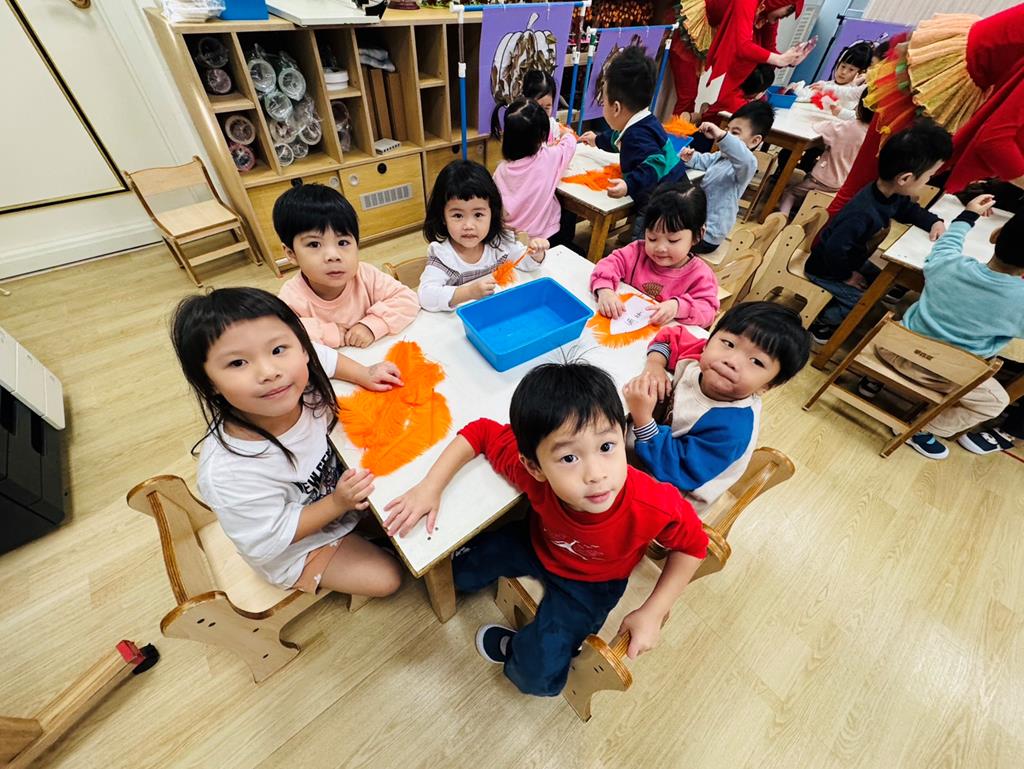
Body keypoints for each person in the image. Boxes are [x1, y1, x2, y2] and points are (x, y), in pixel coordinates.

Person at [381, 363, 708, 696]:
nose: (596, 474)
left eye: (606, 447)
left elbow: (694, 546)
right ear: (534, 467)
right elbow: (480, 432)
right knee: (457, 572)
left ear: (622, 435)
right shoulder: (534, 475)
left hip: (595, 583)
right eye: (569, 458)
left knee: (536, 677)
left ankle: (519, 650)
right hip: (537, 543)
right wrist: (430, 487)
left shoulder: (652, 503)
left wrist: (654, 611)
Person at [171, 287, 404, 596]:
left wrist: (364, 373)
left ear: (302, 349)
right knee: (387, 578)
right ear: (208, 382)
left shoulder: (299, 380)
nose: (269, 372)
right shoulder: (228, 473)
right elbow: (268, 541)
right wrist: (337, 504)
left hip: (338, 499)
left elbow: (325, 357)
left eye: (278, 349)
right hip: (295, 546)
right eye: (238, 363)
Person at [862, 196, 1024, 459]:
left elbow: (947, 243)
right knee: (995, 402)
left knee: (910, 308)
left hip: (889, 350)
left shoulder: (949, 263)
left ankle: (876, 376)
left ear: (995, 236)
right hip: (945, 378)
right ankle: (918, 429)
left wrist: (968, 215)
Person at [623, 302, 810, 512]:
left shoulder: (731, 427)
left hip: (669, 497)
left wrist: (642, 418)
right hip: (650, 449)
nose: (732, 360)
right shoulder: (704, 357)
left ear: (767, 386)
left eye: (756, 362)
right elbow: (670, 337)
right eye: (729, 343)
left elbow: (677, 468)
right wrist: (655, 365)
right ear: (708, 342)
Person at [805, 120, 952, 345]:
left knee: (880, 280)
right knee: (859, 299)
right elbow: (834, 249)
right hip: (825, 268)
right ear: (905, 178)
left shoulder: (890, 193)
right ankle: (822, 323)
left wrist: (933, 221)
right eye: (928, 176)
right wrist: (847, 276)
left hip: (851, 258)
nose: (929, 181)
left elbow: (908, 210)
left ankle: (850, 299)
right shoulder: (862, 212)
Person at [274, 183, 418, 349]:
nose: (333, 256)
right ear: (291, 254)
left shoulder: (366, 275)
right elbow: (277, 336)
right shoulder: (291, 297)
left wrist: (372, 325)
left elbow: (408, 299)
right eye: (314, 244)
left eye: (342, 242)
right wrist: (327, 333)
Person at [419, 160, 548, 312]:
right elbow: (425, 296)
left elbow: (525, 264)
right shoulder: (444, 257)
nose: (469, 225)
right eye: (458, 215)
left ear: (492, 213)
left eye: (478, 214)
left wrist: (536, 255)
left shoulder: (499, 243)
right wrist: (468, 292)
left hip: (498, 312)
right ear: (443, 218)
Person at [579, 47, 690, 222]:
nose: (603, 105)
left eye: (604, 101)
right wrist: (597, 140)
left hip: (663, 205)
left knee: (645, 232)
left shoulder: (636, 136)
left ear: (616, 108)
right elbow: (617, 138)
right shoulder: (645, 121)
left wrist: (629, 184)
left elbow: (656, 162)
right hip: (677, 191)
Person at [590, 184, 719, 327]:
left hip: (662, 337)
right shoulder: (637, 252)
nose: (660, 248)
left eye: (672, 240)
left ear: (698, 235)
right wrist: (605, 290)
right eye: (652, 238)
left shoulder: (700, 275)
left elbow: (708, 311)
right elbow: (608, 265)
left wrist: (678, 307)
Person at [681, 100, 775, 252]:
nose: (728, 135)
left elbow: (743, 157)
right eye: (727, 130)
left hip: (708, 235)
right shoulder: (721, 156)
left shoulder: (747, 165)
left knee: (665, 233)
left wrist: (721, 134)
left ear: (755, 141)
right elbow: (702, 160)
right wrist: (690, 156)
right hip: (697, 225)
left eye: (735, 133)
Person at [492, 98, 578, 250]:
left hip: (510, 240)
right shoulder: (548, 157)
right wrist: (567, 133)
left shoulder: (500, 171)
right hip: (544, 237)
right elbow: (570, 144)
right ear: (541, 137)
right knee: (569, 212)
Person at [778, 96, 872, 217]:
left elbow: (819, 127)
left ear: (859, 107)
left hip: (822, 179)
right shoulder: (872, 135)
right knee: (807, 177)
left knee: (790, 193)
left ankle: (781, 219)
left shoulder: (846, 127)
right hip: (842, 184)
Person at [794, 41, 873, 120]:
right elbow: (802, 96)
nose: (844, 72)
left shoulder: (853, 96)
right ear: (838, 64)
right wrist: (796, 89)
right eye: (843, 66)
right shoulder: (823, 85)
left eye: (851, 69)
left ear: (860, 73)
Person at [520, 69, 563, 144]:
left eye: (547, 108)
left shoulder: (552, 125)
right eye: (538, 108)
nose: (543, 114)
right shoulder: (521, 127)